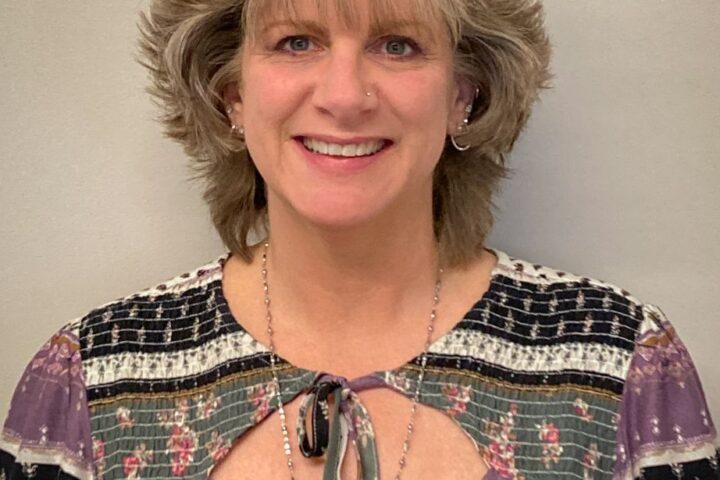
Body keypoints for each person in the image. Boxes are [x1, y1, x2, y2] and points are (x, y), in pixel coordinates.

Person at [1, 0, 717, 479]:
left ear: (463, 95)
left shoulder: (619, 365)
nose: (344, 95)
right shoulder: (92, 382)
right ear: (232, 95)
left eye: (398, 44)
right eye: (297, 41)